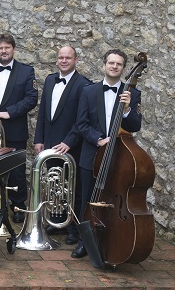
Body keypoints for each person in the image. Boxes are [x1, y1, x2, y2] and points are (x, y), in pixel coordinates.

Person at [71, 48, 142, 259]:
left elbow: (135, 125)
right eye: (111, 63)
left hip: (119, 158)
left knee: (115, 200)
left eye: (119, 64)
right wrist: (98, 140)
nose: (114, 66)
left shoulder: (133, 94)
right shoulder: (88, 91)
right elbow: (81, 124)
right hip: (91, 155)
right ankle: (85, 242)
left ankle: (112, 240)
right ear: (104, 65)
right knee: (87, 199)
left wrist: (128, 110)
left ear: (123, 68)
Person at [33, 44, 91, 240]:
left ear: (76, 61)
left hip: (71, 145)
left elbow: (82, 119)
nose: (64, 61)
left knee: (72, 187)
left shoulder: (84, 84)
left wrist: (69, 141)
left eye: (68, 58)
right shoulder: (50, 80)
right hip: (50, 142)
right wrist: (39, 139)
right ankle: (57, 222)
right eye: (61, 58)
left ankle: (73, 228)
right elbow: (43, 112)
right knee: (54, 185)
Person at [0, 32, 39, 208]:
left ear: (13, 49)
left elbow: (31, 98)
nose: (3, 51)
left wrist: (9, 113)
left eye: (7, 47)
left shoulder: (27, 71)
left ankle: (18, 205)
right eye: (0, 48)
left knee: (16, 171)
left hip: (15, 129)